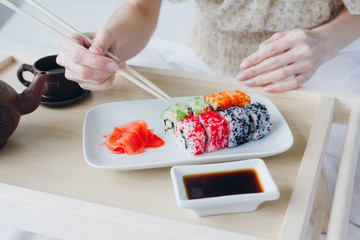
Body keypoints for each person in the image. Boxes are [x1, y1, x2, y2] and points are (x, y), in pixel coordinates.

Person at [56, 0, 360, 232]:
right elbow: (141, 8)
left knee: (326, 178)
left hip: (319, 59)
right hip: (206, 59)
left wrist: (324, 42)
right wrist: (105, 49)